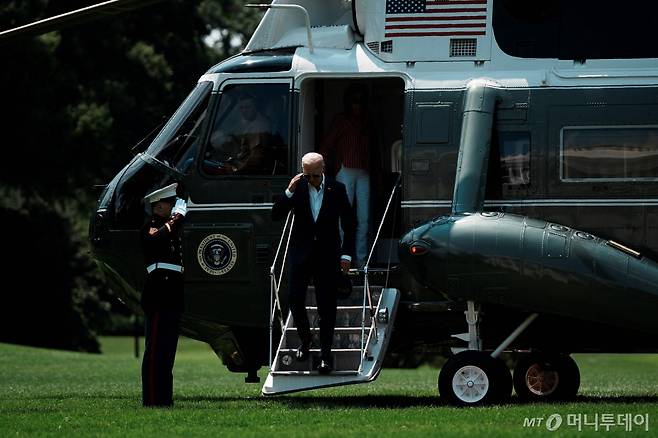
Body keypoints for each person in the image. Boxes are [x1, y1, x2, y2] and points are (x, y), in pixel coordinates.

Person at [272, 152, 355, 374]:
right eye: (307, 176)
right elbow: (276, 213)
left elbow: (350, 222)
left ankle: (325, 356)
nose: (311, 180)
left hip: (327, 255)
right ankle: (306, 340)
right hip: (301, 254)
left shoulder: (337, 189)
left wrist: (346, 254)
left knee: (326, 306)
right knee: (294, 300)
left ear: (323, 169)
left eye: (315, 176)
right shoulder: (297, 187)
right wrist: (289, 190)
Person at [140, 182, 187, 407]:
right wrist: (176, 219)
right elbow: (154, 240)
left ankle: (164, 399)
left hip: (172, 293)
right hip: (158, 292)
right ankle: (151, 399)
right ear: (159, 206)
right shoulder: (151, 225)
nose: (174, 206)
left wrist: (176, 220)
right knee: (155, 350)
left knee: (167, 350)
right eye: (170, 203)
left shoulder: (169, 226)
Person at [320, 84, 373, 267]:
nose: (357, 106)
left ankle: (361, 261)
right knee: (343, 216)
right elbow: (327, 144)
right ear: (348, 103)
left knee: (364, 218)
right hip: (345, 169)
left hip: (364, 171)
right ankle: (342, 258)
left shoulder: (367, 121)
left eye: (360, 102)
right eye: (354, 101)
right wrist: (320, 170)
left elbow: (374, 150)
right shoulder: (341, 120)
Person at [207, 92, 274, 174]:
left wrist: (235, 170)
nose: (244, 111)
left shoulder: (260, 126)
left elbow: (255, 159)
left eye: (248, 107)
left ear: (256, 107)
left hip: (249, 171)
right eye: (241, 108)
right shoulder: (245, 123)